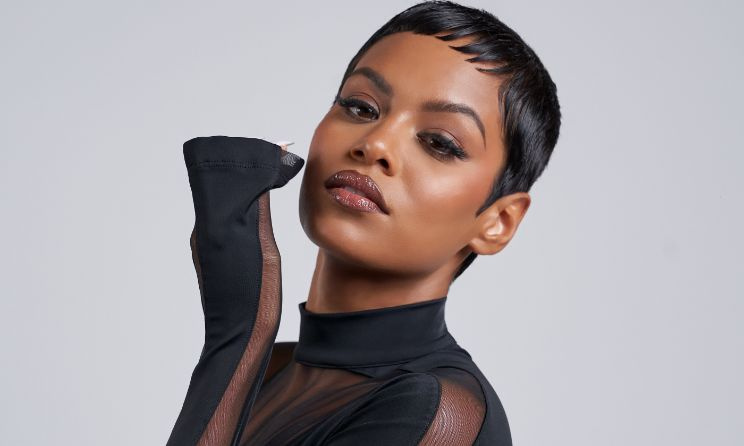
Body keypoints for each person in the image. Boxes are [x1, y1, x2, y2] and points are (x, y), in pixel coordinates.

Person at [166, 1, 561, 445]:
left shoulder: (438, 412)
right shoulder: (272, 368)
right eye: (360, 108)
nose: (375, 144)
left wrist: (237, 335)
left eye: (439, 142)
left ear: (498, 222)